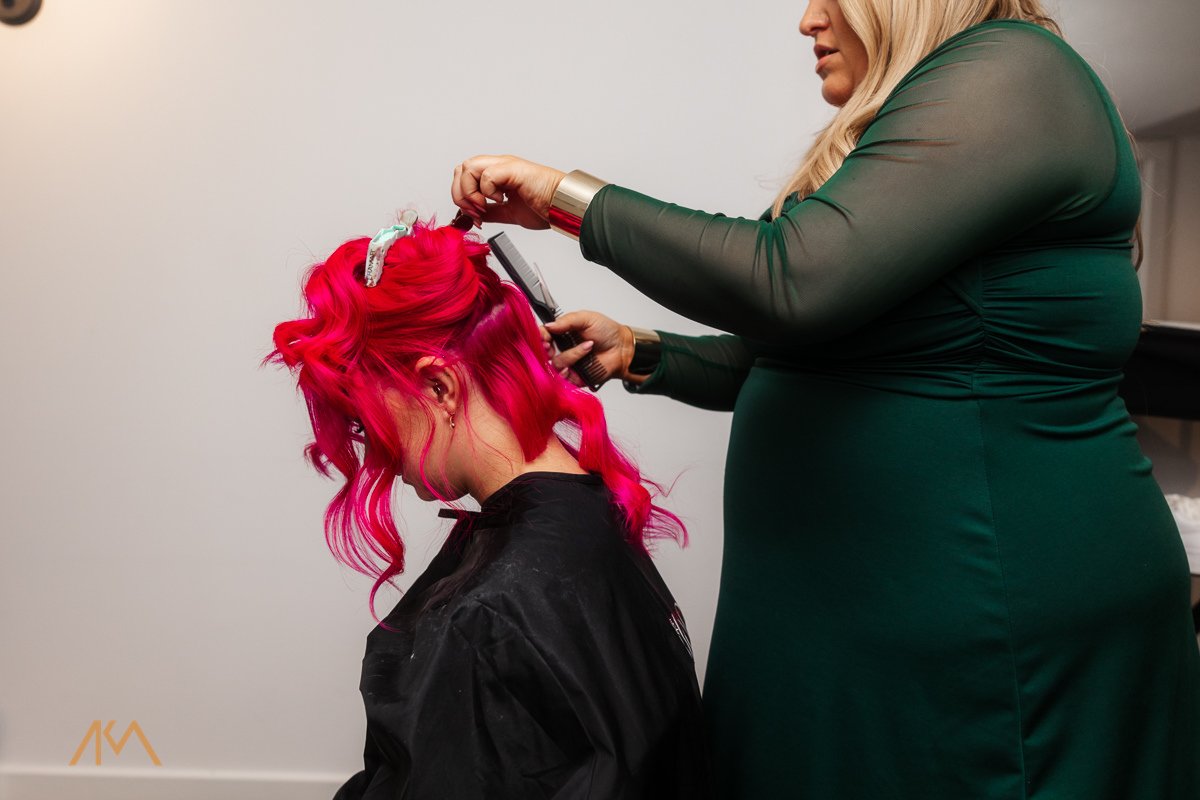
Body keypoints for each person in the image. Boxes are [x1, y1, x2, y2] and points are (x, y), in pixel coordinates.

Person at [449, 0, 1200, 797]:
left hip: (989, 610)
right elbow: (814, 358)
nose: (807, 20)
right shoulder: (932, 117)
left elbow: (792, 280)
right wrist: (641, 352)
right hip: (850, 621)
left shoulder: (1015, 71)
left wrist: (566, 197)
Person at [270, 219, 712, 799]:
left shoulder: (488, 618)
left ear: (438, 388)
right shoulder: (592, 513)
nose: (367, 445)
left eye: (362, 417)